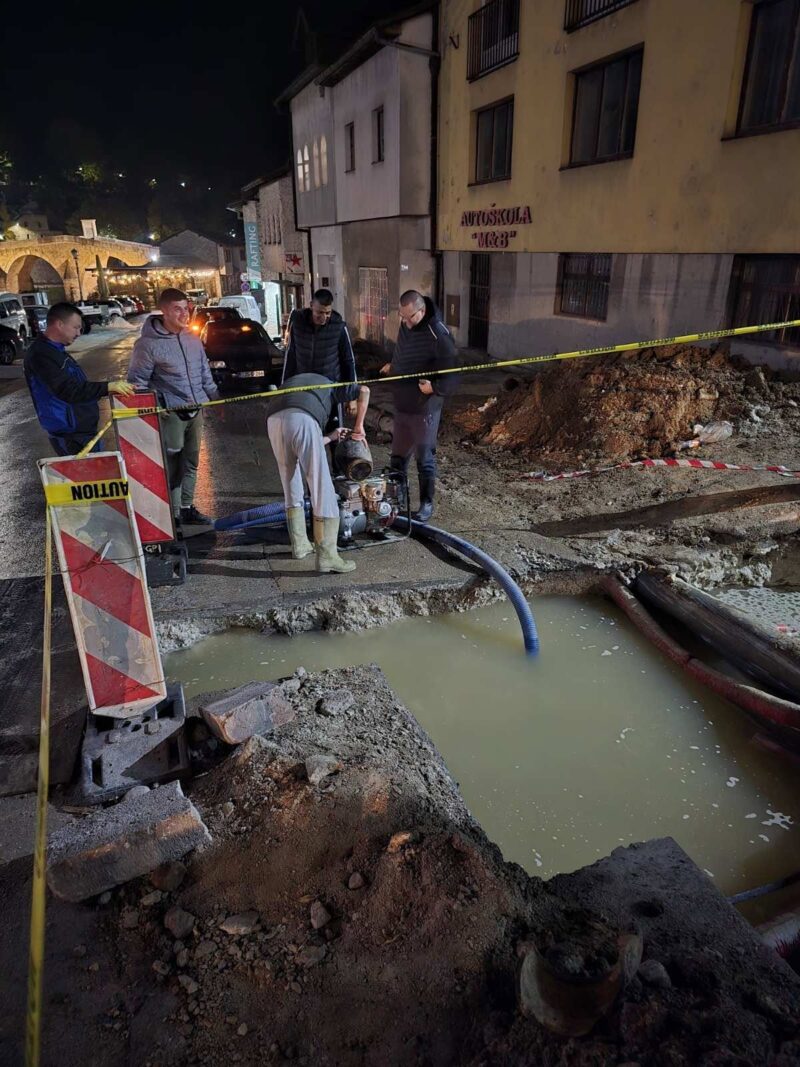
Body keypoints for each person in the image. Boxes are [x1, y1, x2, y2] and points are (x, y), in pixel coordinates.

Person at [127, 287, 220, 527]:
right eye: (177, 309)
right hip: (171, 416)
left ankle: (187, 508)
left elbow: (204, 373)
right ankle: (172, 515)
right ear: (164, 311)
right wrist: (158, 406)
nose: (184, 314)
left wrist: (215, 398)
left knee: (191, 462)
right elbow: (137, 383)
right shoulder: (147, 345)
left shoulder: (192, 340)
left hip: (195, 411)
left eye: (186, 308)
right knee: (172, 466)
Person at [267, 373, 369, 574]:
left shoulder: (300, 381)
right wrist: (359, 428)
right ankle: (327, 557)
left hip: (274, 419)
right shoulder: (334, 384)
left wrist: (331, 437)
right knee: (322, 487)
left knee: (290, 480)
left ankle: (300, 545)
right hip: (302, 417)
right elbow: (365, 390)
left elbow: (300, 439)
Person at [380, 290, 459, 522]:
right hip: (402, 405)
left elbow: (453, 375)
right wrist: (393, 368)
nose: (405, 322)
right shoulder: (407, 326)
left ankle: (426, 503)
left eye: (409, 317)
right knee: (397, 459)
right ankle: (398, 500)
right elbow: (403, 353)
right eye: (401, 317)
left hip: (425, 408)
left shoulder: (439, 335)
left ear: (421, 311)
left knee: (424, 459)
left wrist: (434, 388)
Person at [24, 301, 134, 456]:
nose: (78, 333)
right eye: (75, 327)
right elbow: (69, 390)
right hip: (70, 434)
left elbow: (77, 385)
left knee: (94, 475)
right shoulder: (42, 355)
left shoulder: (56, 351)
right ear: (60, 324)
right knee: (85, 476)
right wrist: (107, 387)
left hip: (80, 431)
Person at [282, 289, 359, 417]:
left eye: (328, 313)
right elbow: (290, 358)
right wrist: (284, 389)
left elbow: (348, 361)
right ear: (312, 305)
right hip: (303, 389)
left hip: (330, 392)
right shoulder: (297, 324)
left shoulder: (338, 327)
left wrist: (351, 396)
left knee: (332, 432)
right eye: (320, 313)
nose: (324, 318)